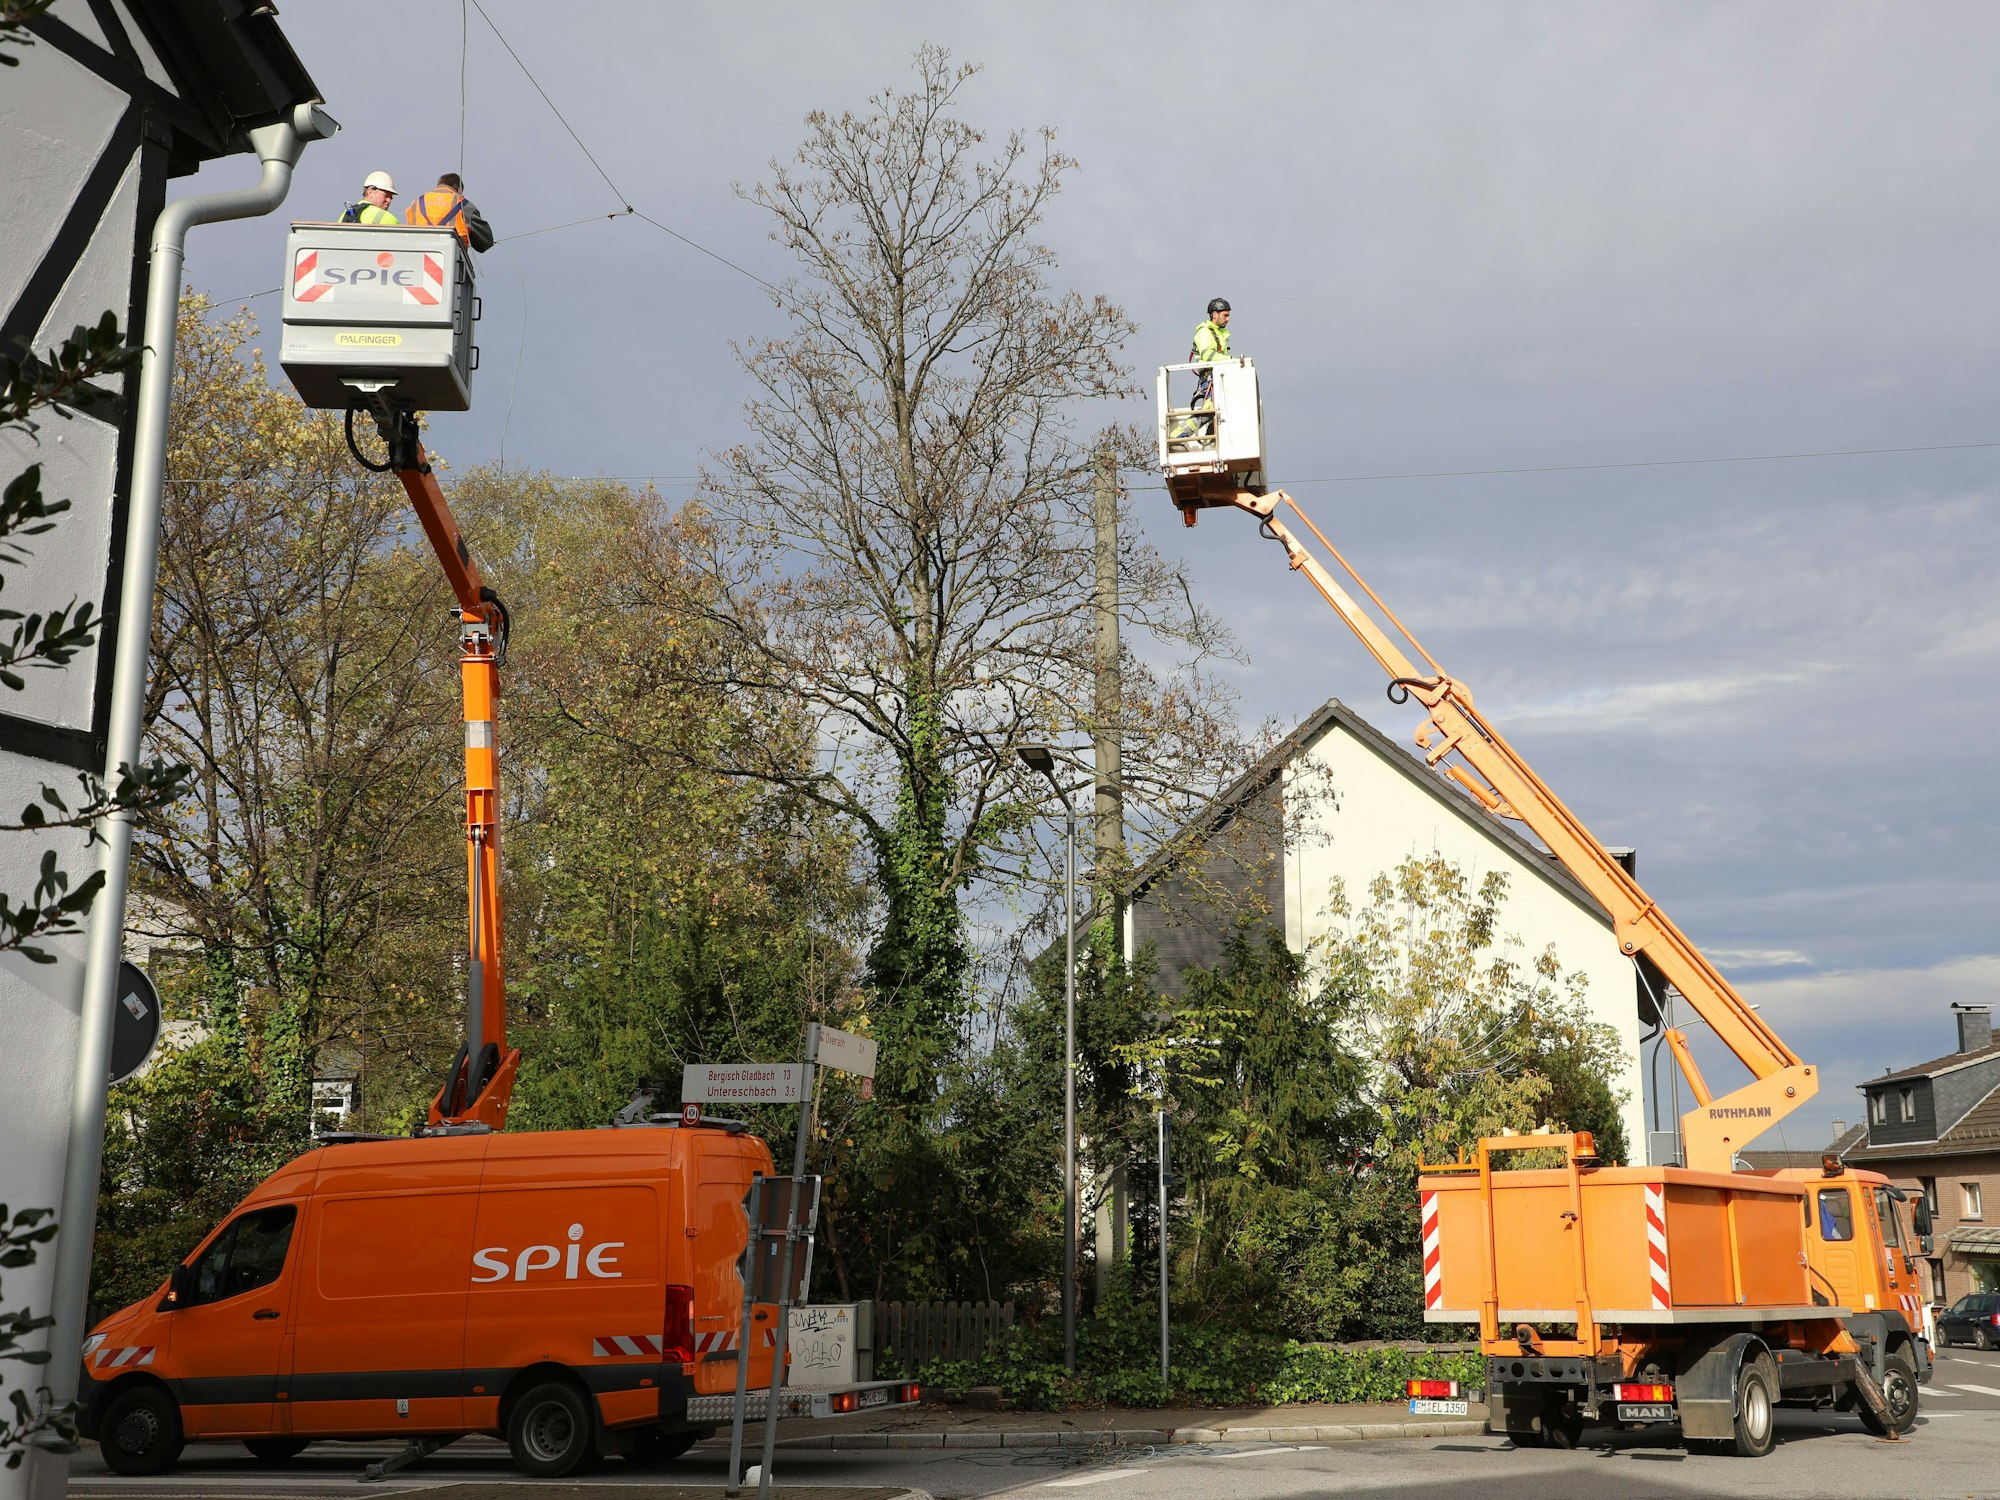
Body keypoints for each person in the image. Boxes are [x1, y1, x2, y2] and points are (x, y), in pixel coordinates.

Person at [1171, 297, 1233, 444]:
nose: (1228, 319)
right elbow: (1208, 355)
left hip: (1217, 378)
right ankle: (1176, 437)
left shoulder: (1218, 334)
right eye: (1225, 315)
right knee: (1208, 412)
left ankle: (1211, 443)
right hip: (1210, 379)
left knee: (1218, 412)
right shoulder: (1205, 332)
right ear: (1214, 314)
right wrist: (1231, 360)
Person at [406, 172, 496, 253]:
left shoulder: (416, 203)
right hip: (451, 261)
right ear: (457, 190)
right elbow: (485, 243)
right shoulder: (463, 204)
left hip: (416, 258)